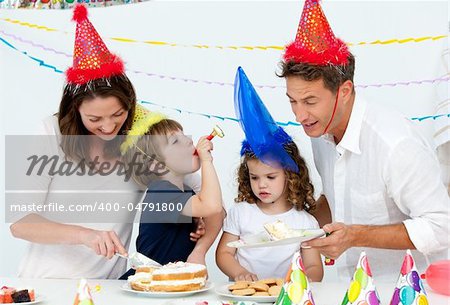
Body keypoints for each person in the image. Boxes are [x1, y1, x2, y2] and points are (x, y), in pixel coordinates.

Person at [8, 4, 204, 279]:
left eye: (117, 114)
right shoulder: (50, 133)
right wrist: (84, 235)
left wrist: (198, 217)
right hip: (47, 285)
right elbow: (20, 223)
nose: (109, 126)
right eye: (94, 119)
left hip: (110, 290)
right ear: (74, 110)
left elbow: (196, 187)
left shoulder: (140, 135)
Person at [278, 0, 450, 279]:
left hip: (408, 295)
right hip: (351, 290)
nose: (299, 114)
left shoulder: (395, 145)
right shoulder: (321, 131)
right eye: (293, 101)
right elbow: (339, 200)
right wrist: (285, 222)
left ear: (344, 91)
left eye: (309, 101)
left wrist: (355, 235)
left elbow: (441, 227)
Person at [216, 67, 323, 281]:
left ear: (290, 175)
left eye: (270, 177)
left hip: (287, 300)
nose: (261, 185)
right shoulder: (241, 212)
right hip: (247, 297)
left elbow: (314, 268)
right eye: (254, 177)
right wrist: (239, 273)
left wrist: (298, 280)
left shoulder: (305, 222)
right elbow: (224, 254)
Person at [120, 108, 223, 277]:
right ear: (155, 164)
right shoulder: (159, 193)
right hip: (147, 283)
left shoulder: (186, 192)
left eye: (183, 135)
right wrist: (206, 160)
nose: (189, 141)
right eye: (175, 141)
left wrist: (198, 250)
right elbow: (212, 206)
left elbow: (217, 214)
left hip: (170, 283)